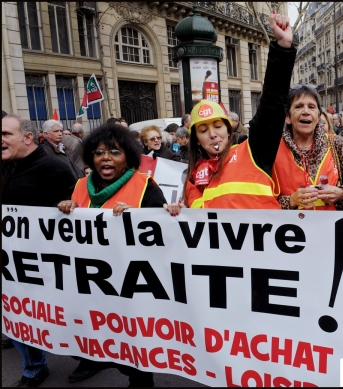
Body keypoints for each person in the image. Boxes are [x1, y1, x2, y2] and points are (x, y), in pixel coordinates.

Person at [56, 123, 166, 387]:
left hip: (131, 281)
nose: (105, 157)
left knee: (133, 341)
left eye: (114, 152)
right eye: (99, 152)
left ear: (127, 156)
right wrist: (67, 206)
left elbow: (165, 232)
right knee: (91, 330)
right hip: (93, 279)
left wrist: (138, 218)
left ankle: (139, 379)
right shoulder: (81, 185)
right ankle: (92, 360)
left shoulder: (145, 186)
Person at [164, 11, 296, 212]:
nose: (213, 134)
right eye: (203, 130)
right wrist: (175, 212)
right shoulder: (193, 178)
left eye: (218, 126)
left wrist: (282, 47)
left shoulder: (253, 152)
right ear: (197, 139)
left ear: (229, 131)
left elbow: (272, 104)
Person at [2, 114, 78, 387]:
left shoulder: (53, 168)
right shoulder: (7, 166)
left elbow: (77, 218)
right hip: (13, 263)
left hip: (47, 264)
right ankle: (34, 367)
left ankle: (89, 355)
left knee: (63, 316)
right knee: (16, 314)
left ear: (28, 137)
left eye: (5, 134)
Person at [273, 88, 343, 211]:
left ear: (318, 116)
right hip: (289, 228)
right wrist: (290, 201)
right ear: (288, 117)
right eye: (298, 107)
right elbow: (262, 200)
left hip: (330, 228)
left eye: (311, 107)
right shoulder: (273, 149)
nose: (306, 112)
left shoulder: (336, 143)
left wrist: (340, 194)